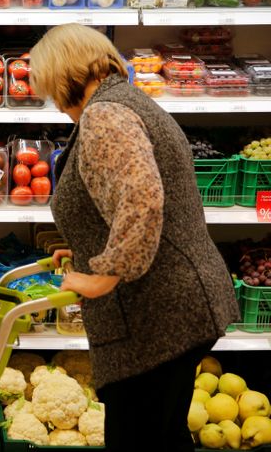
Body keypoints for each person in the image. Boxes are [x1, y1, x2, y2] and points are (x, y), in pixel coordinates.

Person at [29, 24, 239, 452]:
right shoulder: (124, 102)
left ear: (66, 73)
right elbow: (126, 194)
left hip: (158, 314)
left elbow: (142, 198)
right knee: (164, 436)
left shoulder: (105, 114)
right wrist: (91, 245)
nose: (54, 102)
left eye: (51, 89)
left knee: (138, 438)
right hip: (175, 308)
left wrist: (103, 275)